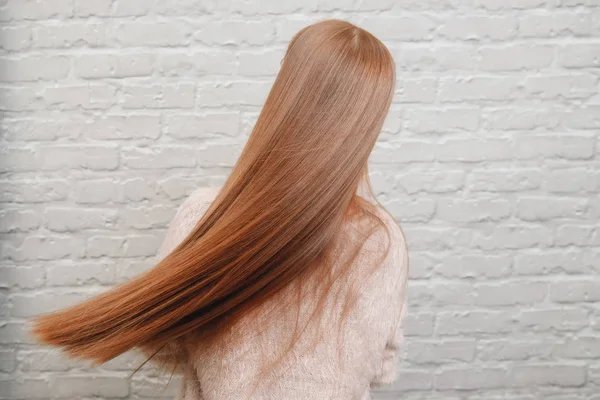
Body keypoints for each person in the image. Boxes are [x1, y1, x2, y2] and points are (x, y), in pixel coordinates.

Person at [31, 19, 409, 400]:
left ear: (285, 94)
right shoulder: (384, 239)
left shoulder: (204, 218)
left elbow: (168, 343)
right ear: (370, 119)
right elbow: (381, 370)